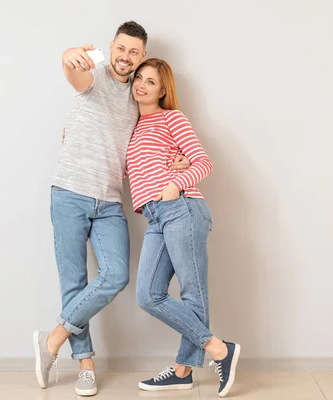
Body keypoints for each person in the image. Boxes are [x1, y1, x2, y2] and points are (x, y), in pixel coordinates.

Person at [33, 22, 190, 397]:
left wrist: (176, 159)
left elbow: (148, 140)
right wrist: (67, 57)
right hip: (69, 192)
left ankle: (52, 338)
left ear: (140, 57)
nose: (125, 57)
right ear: (112, 47)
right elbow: (75, 74)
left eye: (134, 52)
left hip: (108, 201)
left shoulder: (138, 97)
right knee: (73, 283)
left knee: (116, 275)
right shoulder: (95, 76)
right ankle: (85, 364)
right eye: (121, 49)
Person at [126, 58, 241, 397]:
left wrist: (177, 183)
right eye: (139, 78)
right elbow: (129, 170)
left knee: (193, 293)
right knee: (149, 295)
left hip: (182, 208)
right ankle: (218, 350)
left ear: (163, 90)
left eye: (151, 81)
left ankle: (184, 370)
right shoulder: (133, 129)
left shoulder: (171, 117)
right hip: (155, 217)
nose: (142, 85)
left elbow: (203, 161)